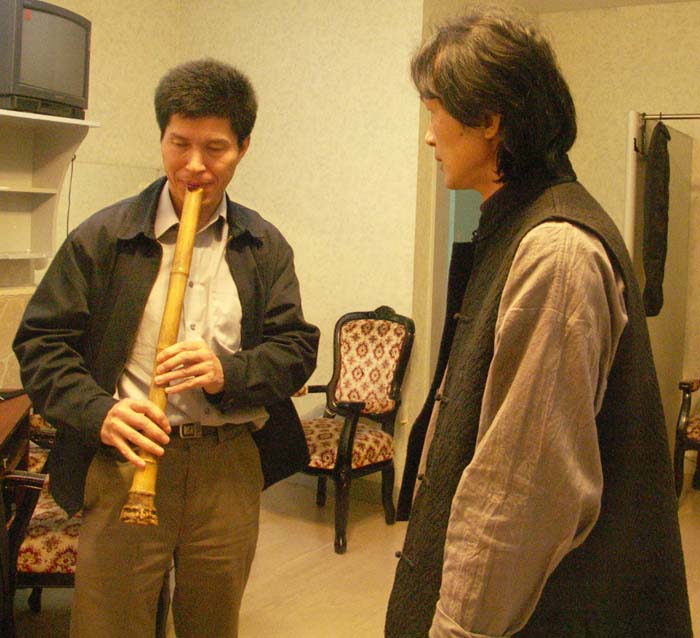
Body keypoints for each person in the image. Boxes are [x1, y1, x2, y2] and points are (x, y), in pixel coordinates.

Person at [386, 7, 692, 638]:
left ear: (489, 120)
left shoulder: (556, 252)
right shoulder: (522, 226)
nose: (429, 137)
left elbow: (519, 498)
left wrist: (456, 628)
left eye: (434, 112)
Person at [13, 58, 319, 638]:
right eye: (179, 144)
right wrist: (101, 413)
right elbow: (41, 346)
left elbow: (297, 349)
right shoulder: (103, 238)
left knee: (212, 622)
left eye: (215, 148)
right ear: (162, 139)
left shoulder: (263, 244)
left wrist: (228, 372)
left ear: (243, 148)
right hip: (125, 460)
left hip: (228, 463)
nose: (194, 165)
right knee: (109, 624)